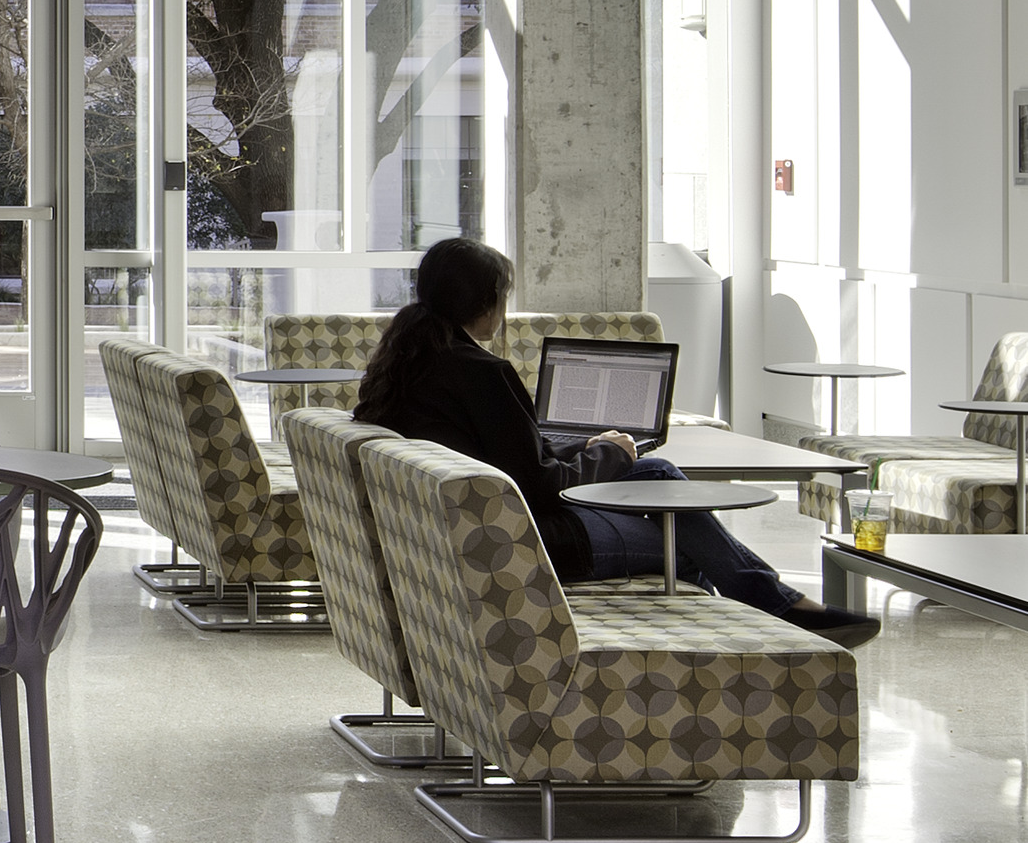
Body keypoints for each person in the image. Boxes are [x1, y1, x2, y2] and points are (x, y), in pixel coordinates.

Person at [352, 237, 874, 648]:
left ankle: (777, 601)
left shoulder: (404, 363)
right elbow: (535, 487)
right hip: (529, 540)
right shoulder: (482, 372)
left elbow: (504, 457)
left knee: (659, 473)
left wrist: (591, 452)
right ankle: (769, 619)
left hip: (465, 528)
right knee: (686, 545)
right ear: (486, 304)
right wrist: (608, 453)